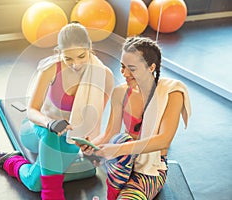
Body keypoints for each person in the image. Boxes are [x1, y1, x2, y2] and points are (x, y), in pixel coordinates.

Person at [0, 22, 114, 200]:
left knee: (39, 183)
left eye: (81, 56)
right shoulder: (51, 69)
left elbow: (94, 121)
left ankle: (10, 161)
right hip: (37, 131)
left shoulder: (104, 75)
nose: (76, 64)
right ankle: (53, 195)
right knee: (53, 134)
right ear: (60, 52)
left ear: (89, 47)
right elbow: (32, 111)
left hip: (69, 140)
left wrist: (88, 140)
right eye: (68, 58)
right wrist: (50, 123)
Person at [81, 36, 191, 200]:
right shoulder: (121, 92)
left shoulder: (172, 93)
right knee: (121, 138)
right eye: (122, 67)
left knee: (122, 143)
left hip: (150, 168)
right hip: (123, 164)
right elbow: (110, 134)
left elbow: (164, 140)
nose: (125, 73)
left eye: (131, 68)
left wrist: (117, 149)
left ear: (151, 67)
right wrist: (90, 146)